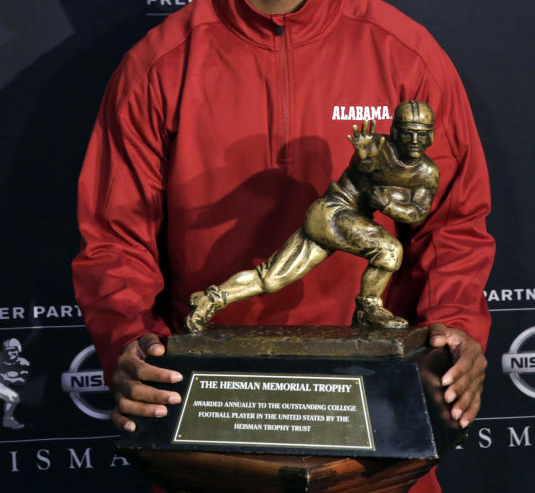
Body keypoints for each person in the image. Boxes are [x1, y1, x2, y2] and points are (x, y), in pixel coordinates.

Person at [72, 0, 493, 491]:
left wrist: (457, 331)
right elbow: (113, 238)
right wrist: (130, 344)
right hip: (216, 415)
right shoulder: (159, 66)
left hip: (372, 416)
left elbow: (457, 224)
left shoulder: (404, 55)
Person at [185, 102, 441, 332]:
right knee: (389, 251)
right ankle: (368, 309)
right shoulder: (375, 146)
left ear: (430, 135)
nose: (414, 141)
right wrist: (365, 160)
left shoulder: (427, 172)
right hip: (333, 212)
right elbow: (366, 166)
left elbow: (416, 213)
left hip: (341, 222)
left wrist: (386, 204)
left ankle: (212, 299)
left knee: (271, 279)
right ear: (395, 131)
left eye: (421, 134)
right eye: (408, 132)